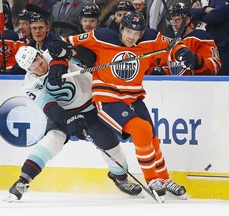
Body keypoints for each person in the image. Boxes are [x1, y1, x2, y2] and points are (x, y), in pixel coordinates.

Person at [48, 11, 193, 201]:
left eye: (136, 34)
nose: (131, 37)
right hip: (108, 99)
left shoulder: (150, 38)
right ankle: (152, 180)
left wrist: (182, 52)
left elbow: (174, 44)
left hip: (133, 97)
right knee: (141, 129)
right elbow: (63, 44)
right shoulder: (101, 36)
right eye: (128, 32)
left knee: (152, 137)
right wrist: (58, 64)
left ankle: (164, 179)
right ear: (121, 28)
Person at [4, 45, 143, 202]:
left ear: (40, 54)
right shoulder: (30, 85)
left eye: (36, 58)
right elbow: (50, 108)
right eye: (32, 64)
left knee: (110, 143)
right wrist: (69, 119)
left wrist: (66, 54)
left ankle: (121, 179)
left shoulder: (54, 53)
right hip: (64, 113)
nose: (38, 65)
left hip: (91, 106)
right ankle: (23, 181)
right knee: (52, 139)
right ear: (28, 70)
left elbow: (87, 56)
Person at [160, 2, 221, 75]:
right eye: (172, 21)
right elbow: (166, 65)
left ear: (187, 20)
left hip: (197, 84)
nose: (174, 25)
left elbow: (215, 66)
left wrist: (197, 60)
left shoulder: (200, 37)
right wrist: (161, 71)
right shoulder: (169, 40)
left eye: (177, 20)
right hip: (173, 85)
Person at [190, 0, 229, 76]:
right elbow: (192, 12)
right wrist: (204, 10)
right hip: (213, 49)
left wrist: (200, 12)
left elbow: (214, 17)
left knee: (225, 84)